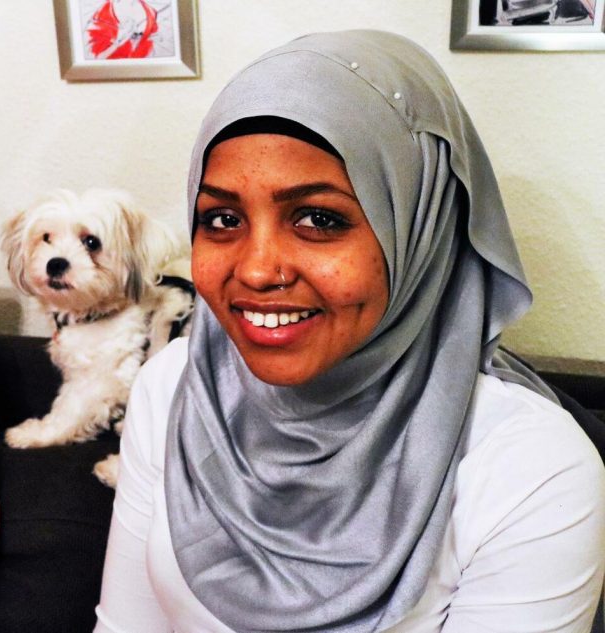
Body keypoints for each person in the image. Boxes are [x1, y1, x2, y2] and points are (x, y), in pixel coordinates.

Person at [94, 30, 605, 632]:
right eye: (223, 219)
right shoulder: (172, 388)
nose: (256, 270)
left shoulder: (528, 469)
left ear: (419, 230)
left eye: (318, 218)